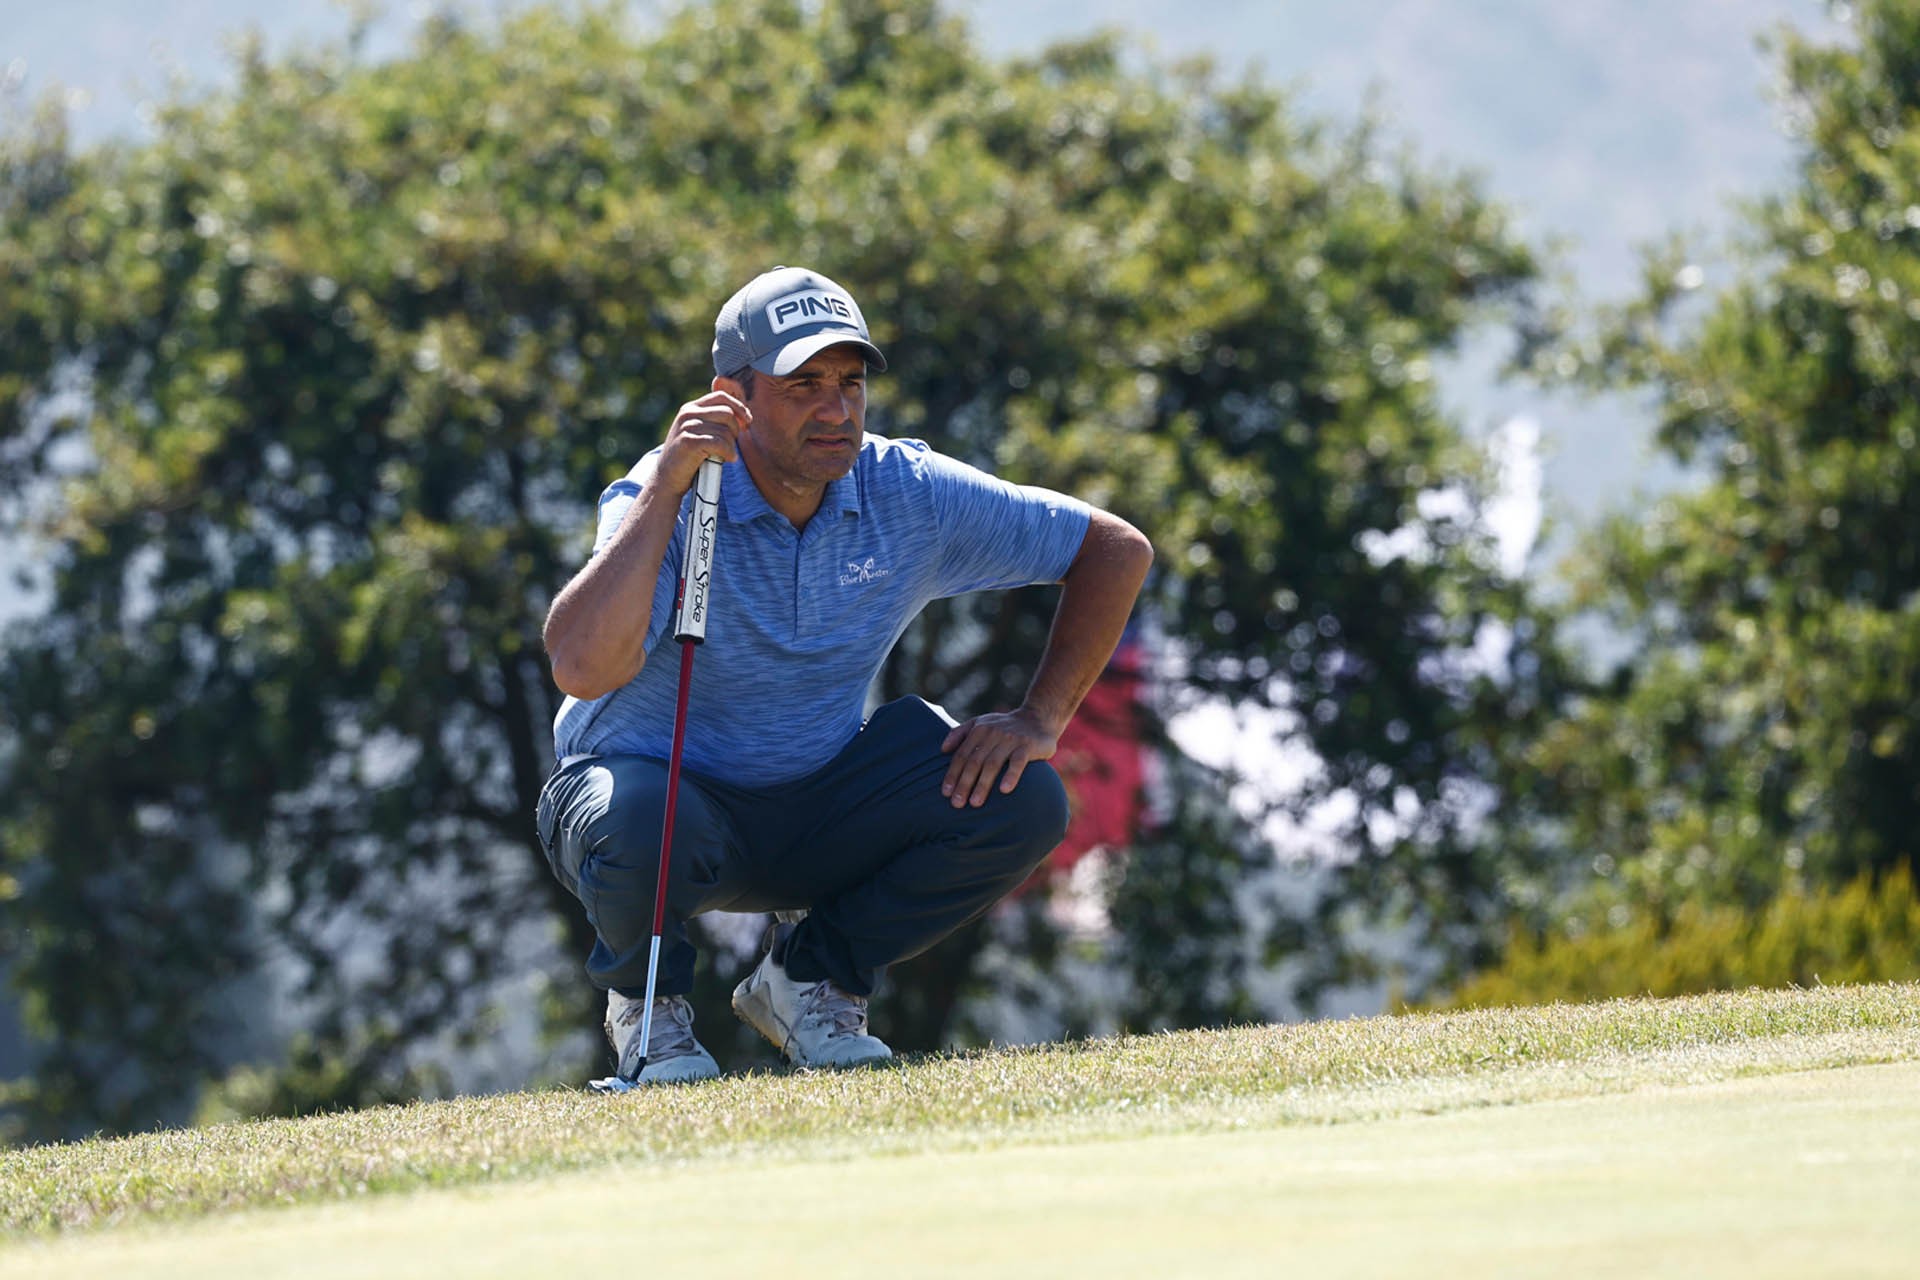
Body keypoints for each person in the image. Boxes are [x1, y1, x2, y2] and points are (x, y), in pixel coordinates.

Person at [536, 265, 1153, 1083]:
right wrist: (665, 494)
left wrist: (1040, 719)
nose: (835, 410)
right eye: (803, 385)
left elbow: (1114, 551)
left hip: (814, 808)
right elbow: (583, 667)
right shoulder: (668, 491)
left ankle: (808, 983)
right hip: (657, 815)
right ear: (732, 397)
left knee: (1024, 797)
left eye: (850, 383)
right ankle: (651, 1015)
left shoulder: (907, 490)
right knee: (637, 809)